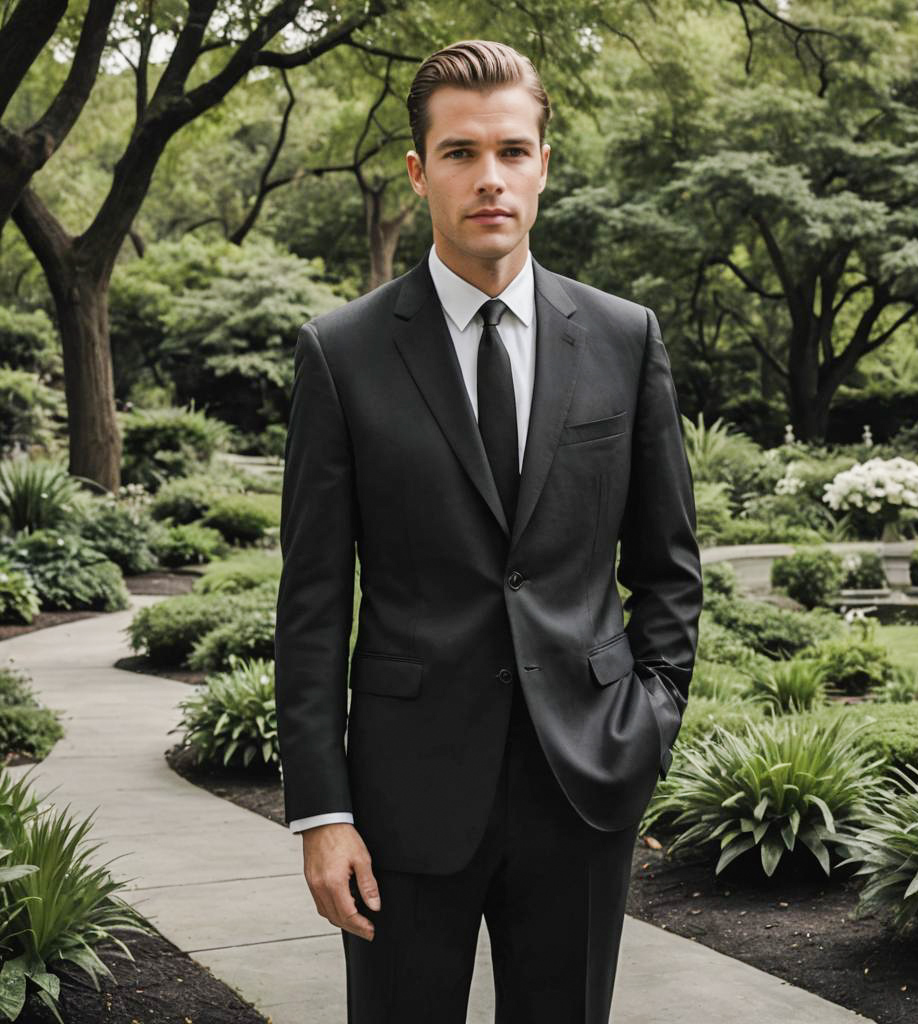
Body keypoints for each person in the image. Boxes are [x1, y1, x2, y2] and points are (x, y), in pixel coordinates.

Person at [274, 38, 702, 1024]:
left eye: (513, 151)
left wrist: (647, 722)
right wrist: (323, 812)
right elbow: (310, 602)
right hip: (401, 805)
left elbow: (669, 566)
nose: (490, 178)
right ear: (420, 172)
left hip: (583, 785)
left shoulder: (623, 338)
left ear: (544, 166)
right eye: (461, 153)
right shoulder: (340, 355)